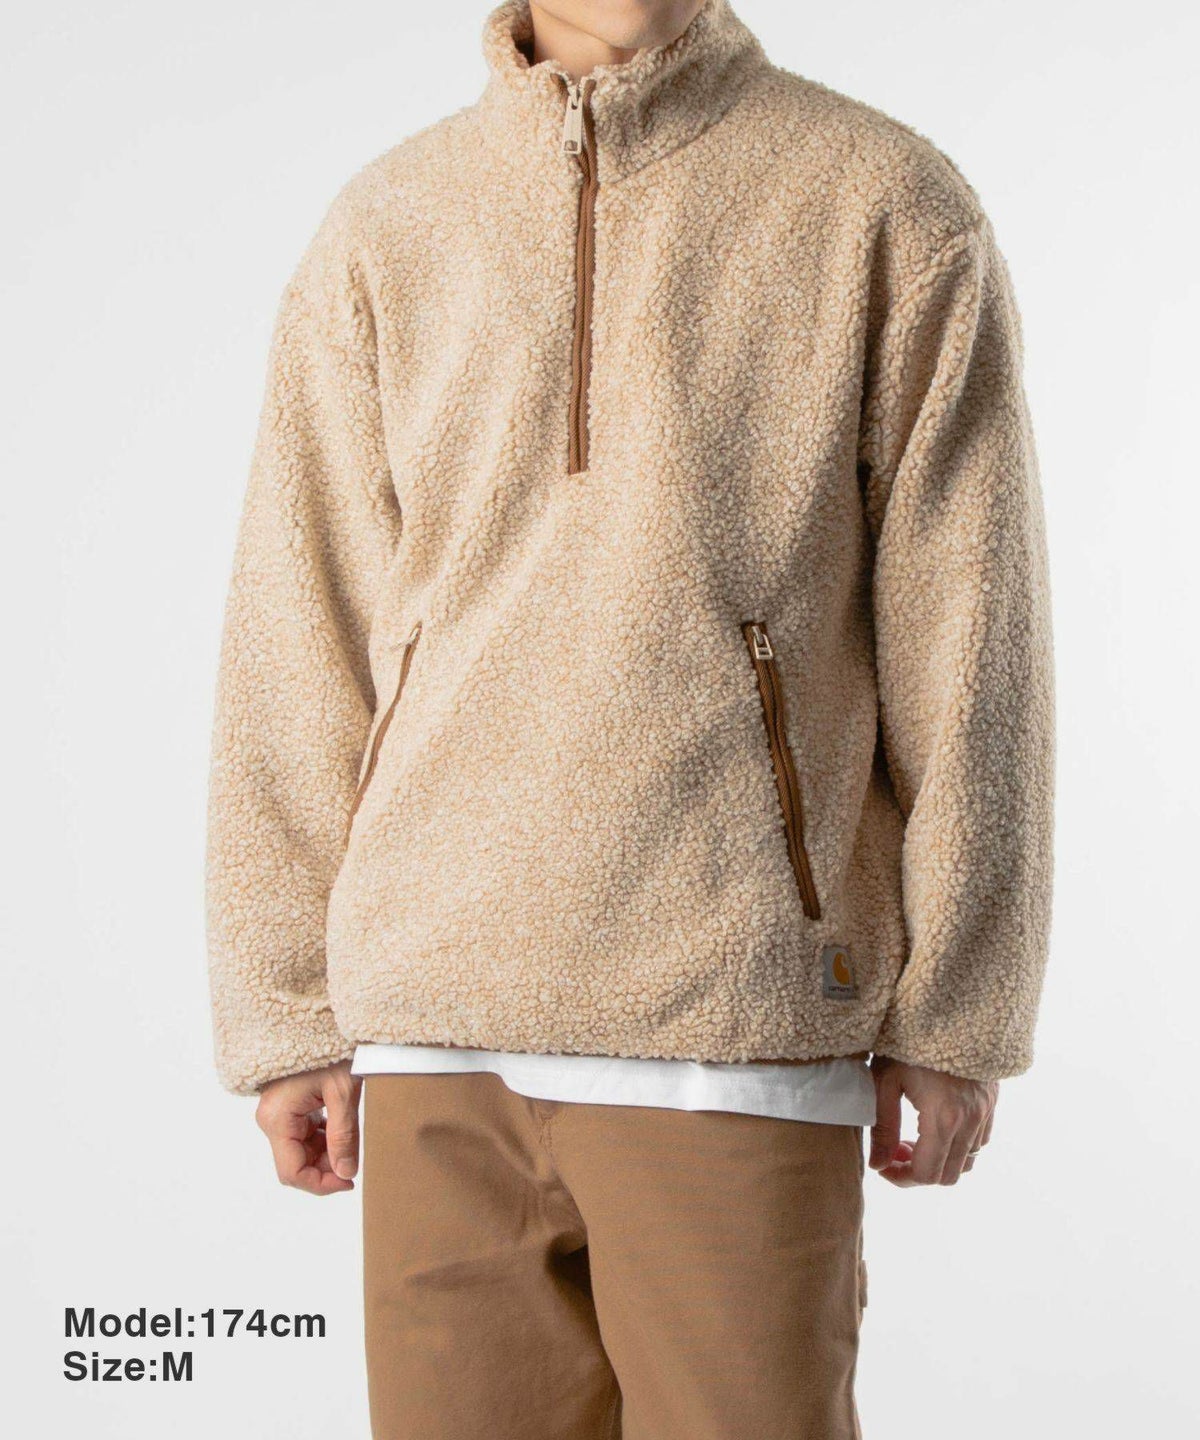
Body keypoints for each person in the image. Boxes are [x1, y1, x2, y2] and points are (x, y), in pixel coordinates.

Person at [205, 0, 1054, 1434]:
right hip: (435, 1034)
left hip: (732, 1020)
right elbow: (298, 628)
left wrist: (962, 1007)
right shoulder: (388, 225)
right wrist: (285, 1009)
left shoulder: (883, 203)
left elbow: (972, 637)